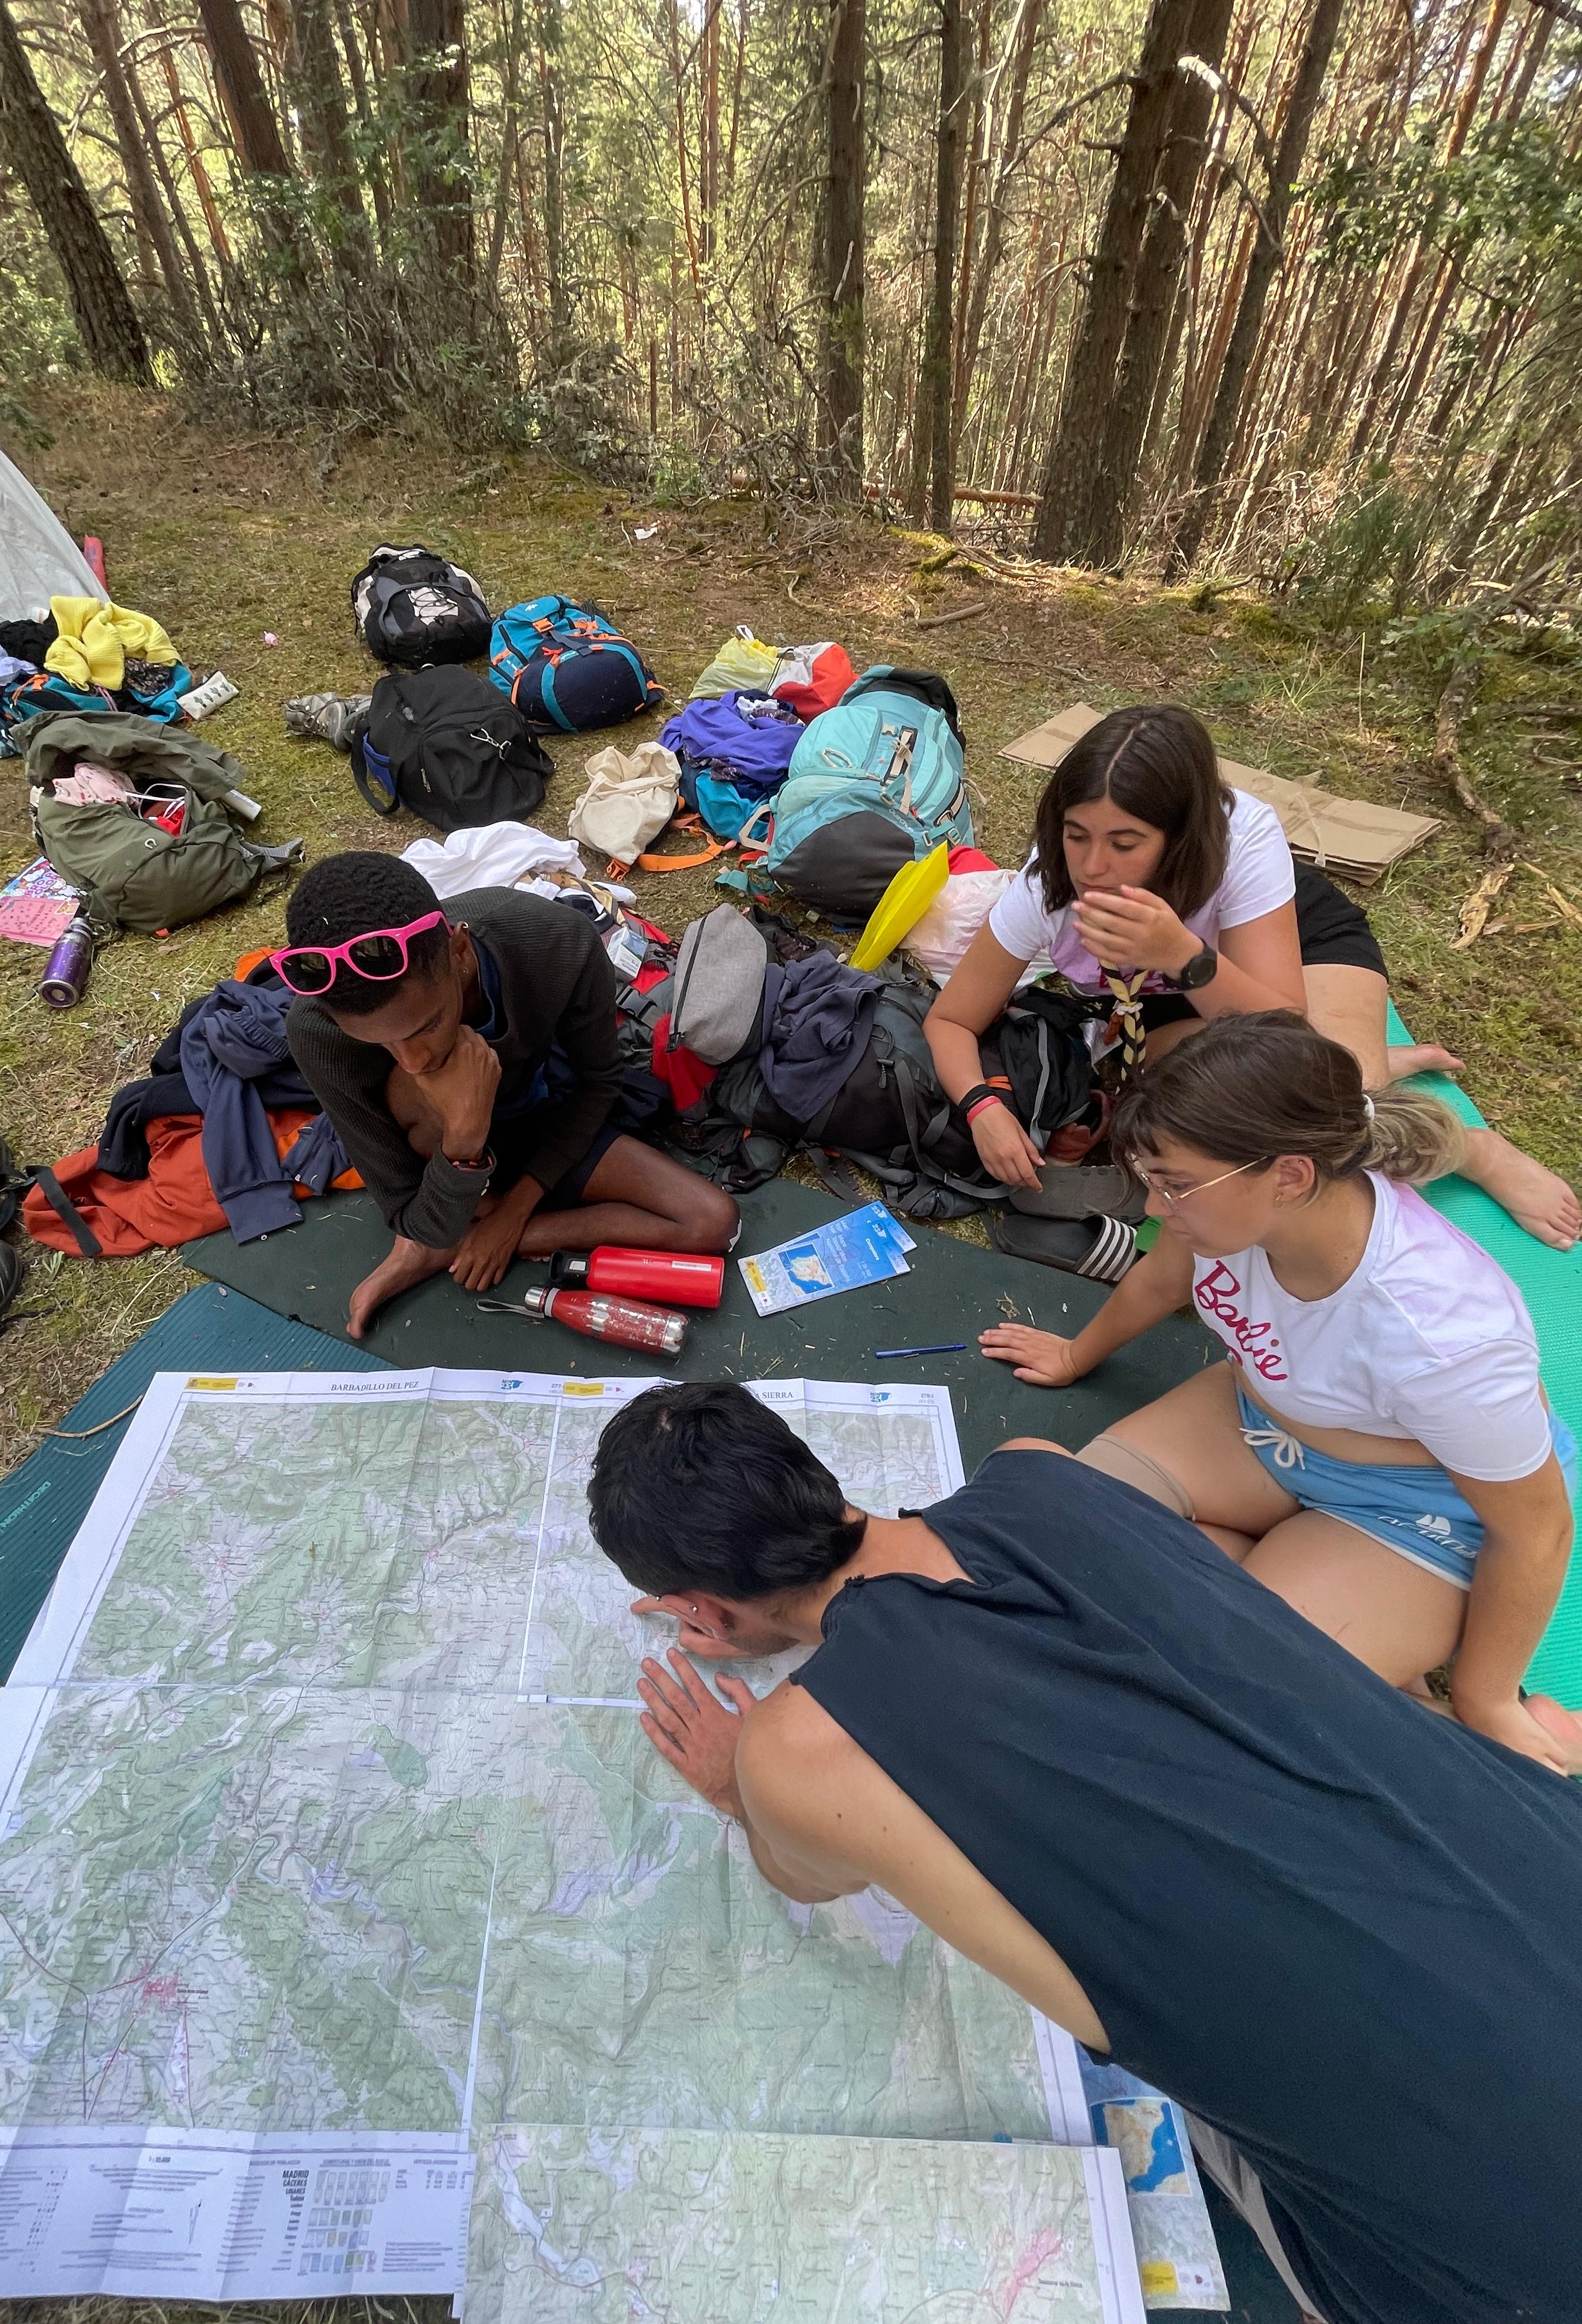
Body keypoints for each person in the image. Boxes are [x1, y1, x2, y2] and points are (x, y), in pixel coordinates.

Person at [587, 1378, 1582, 2324]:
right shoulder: (1039, 1469)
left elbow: (798, 1873)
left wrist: (734, 1783)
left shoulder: (794, 1755)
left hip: (1505, 2254)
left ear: (701, 1610)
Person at [982, 1012, 1582, 1774]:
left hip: (1413, 1508)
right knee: (1053, 1530)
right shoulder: (1223, 1211)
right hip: (1259, 1423)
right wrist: (1077, 1354)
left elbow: (1536, 1533)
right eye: (1151, 1180)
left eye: (1175, 1186)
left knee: (1231, 1698)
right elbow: (1164, 1279)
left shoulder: (1444, 1336)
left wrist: (1486, 1698)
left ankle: (1431, 1707)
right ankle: (1309, 1614)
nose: (1155, 1209)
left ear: (1291, 1177)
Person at [923, 703, 1579, 1248]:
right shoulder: (1047, 889)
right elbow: (952, 1018)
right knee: (1212, 1124)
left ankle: (1472, 1149)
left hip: (1290, 954)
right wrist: (982, 1107)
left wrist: (1181, 952)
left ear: (1179, 839)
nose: (1093, 866)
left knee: (1331, 1125)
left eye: (1125, 844)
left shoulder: (1242, 839)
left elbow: (1285, 1033)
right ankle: (1371, 1061)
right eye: (1076, 835)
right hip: (1170, 999)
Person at [280, 852, 737, 1336]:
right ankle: (452, 1226)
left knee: (713, 1221)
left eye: (427, 1025)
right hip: (435, 1142)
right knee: (416, 1116)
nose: (413, 1060)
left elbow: (600, 1082)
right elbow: (408, 1210)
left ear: (459, 953)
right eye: (378, 1043)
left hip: (540, 1111)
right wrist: (464, 1138)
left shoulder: (555, 940)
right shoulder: (317, 1030)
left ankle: (458, 1241)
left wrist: (512, 1219)